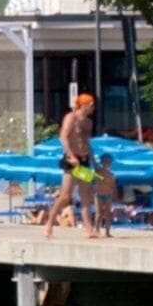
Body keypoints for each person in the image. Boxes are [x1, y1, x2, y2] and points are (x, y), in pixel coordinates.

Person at [56, 90, 105, 237]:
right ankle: (50, 221)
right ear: (83, 105)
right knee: (66, 195)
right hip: (72, 161)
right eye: (91, 105)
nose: (93, 108)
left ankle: (88, 228)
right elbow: (63, 138)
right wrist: (71, 156)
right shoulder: (71, 118)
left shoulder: (89, 122)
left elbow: (86, 143)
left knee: (86, 195)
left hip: (83, 161)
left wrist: (94, 162)